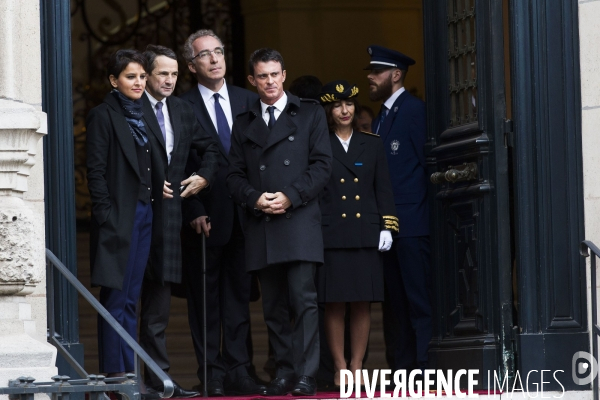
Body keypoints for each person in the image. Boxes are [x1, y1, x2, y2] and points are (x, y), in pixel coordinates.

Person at [226, 48, 332, 396]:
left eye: (275, 74)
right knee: (272, 306)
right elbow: (234, 174)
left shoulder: (310, 113)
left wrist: (290, 195)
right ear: (252, 80)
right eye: (262, 76)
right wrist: (254, 198)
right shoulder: (243, 123)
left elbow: (321, 166)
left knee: (303, 301)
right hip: (262, 222)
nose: (270, 82)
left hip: (299, 219)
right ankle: (284, 371)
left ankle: (305, 373)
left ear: (284, 75)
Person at [178, 29, 264, 397]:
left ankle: (241, 369)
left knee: (239, 299)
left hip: (249, 216)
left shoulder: (250, 99)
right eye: (205, 55)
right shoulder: (181, 106)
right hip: (206, 218)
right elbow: (176, 160)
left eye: (219, 52)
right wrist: (193, 207)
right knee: (205, 301)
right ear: (190, 65)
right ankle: (211, 372)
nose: (214, 59)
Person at [137, 44, 220, 397]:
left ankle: (160, 382)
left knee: (158, 311)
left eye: (173, 74)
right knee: (124, 305)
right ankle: (124, 380)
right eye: (162, 74)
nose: (169, 80)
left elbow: (212, 148)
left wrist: (203, 177)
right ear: (146, 75)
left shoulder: (183, 111)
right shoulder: (131, 107)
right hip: (135, 218)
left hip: (169, 223)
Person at [86, 49, 161, 384]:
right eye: (131, 77)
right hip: (120, 215)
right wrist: (107, 214)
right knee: (115, 296)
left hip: (145, 211)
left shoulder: (144, 113)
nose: (139, 82)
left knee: (132, 296)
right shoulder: (103, 115)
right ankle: (116, 372)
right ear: (114, 81)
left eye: (143, 76)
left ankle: (128, 370)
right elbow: (96, 171)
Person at [316, 80, 398, 386]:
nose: (344, 110)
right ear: (329, 110)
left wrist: (387, 225)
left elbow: (383, 189)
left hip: (365, 231)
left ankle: (357, 365)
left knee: (362, 301)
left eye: (349, 104)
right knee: (335, 302)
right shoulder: (319, 143)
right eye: (337, 105)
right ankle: (339, 367)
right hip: (333, 232)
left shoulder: (372, 143)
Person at [365, 45, 432, 373]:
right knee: (396, 304)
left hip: (413, 224)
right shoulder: (382, 117)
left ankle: (425, 365)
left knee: (418, 301)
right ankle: (404, 368)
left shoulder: (413, 110)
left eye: (376, 72)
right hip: (389, 229)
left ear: (396, 74)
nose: (370, 77)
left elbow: (426, 168)